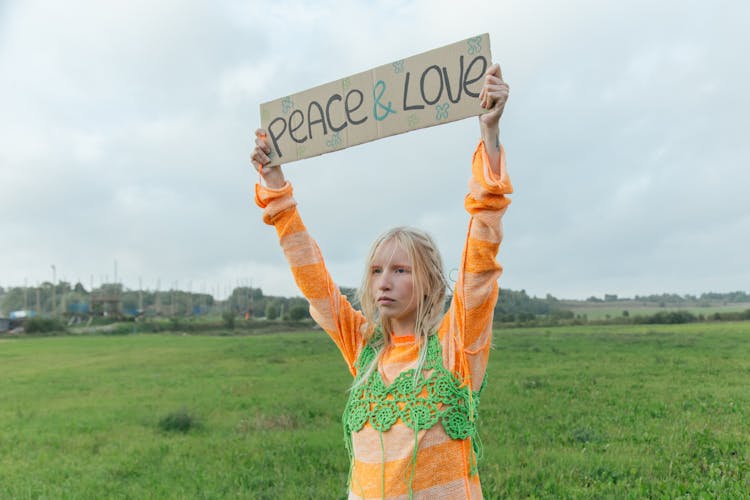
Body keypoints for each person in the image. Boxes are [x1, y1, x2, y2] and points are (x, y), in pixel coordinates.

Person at [251, 63, 512, 499]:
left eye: (400, 270)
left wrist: (490, 137)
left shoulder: (455, 347)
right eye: (376, 271)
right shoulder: (365, 347)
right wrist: (277, 191)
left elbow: (480, 262)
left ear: (428, 282)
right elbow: (314, 279)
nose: (383, 283)